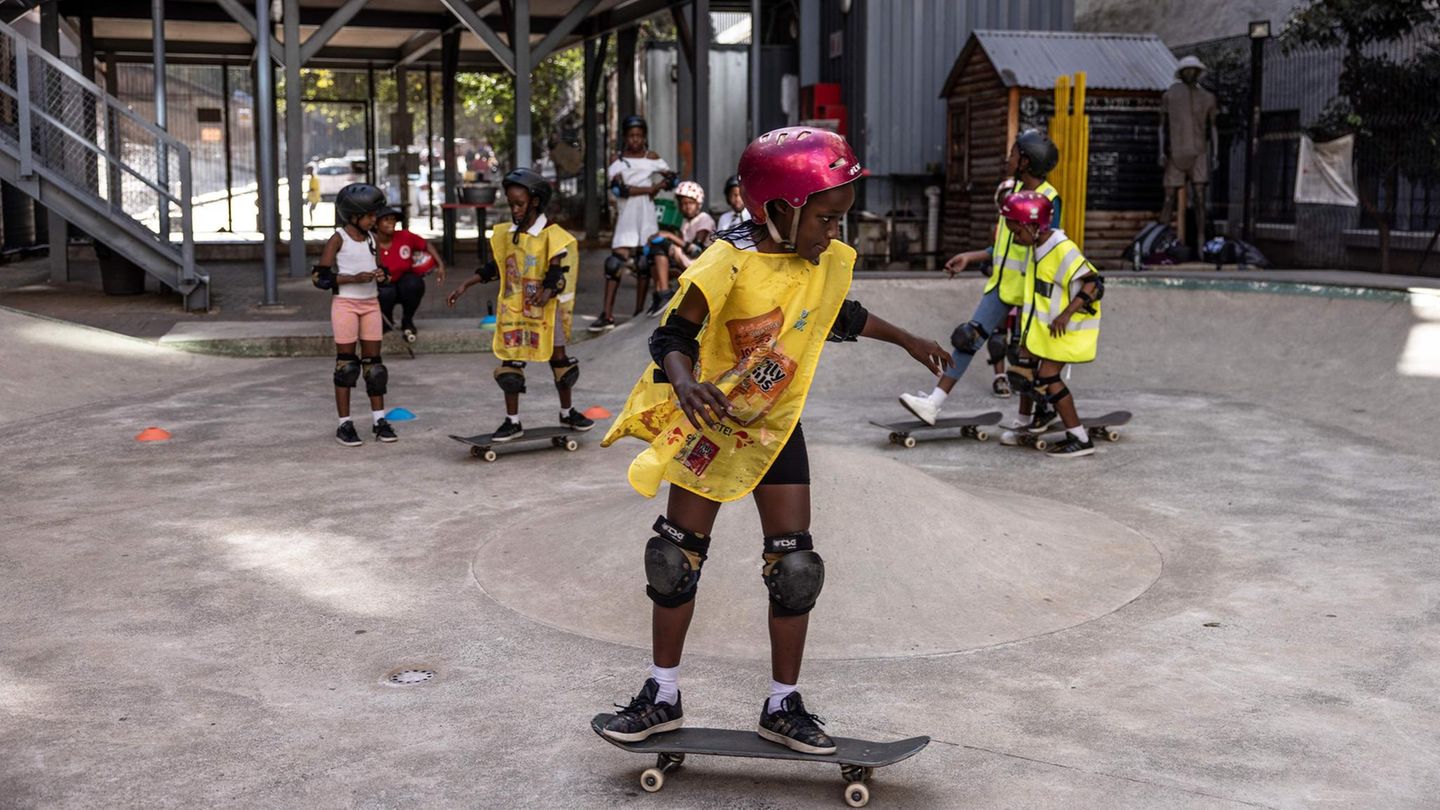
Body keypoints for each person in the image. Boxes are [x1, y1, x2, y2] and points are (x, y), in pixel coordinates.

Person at [598, 127, 950, 753]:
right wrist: (684, 385)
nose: (833, 233)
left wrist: (909, 341)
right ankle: (661, 694)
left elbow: (843, 316)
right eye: (826, 219)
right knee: (675, 561)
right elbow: (671, 337)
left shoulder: (817, 264)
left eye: (839, 221)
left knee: (795, 569)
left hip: (774, 427)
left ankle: (782, 705)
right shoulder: (725, 260)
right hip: (709, 427)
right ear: (782, 209)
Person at [898, 129, 1062, 429]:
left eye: (1013, 154)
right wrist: (971, 257)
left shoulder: (1049, 199)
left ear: (1026, 161)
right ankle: (933, 403)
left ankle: (1034, 415)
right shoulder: (1013, 196)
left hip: (1031, 292)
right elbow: (1005, 246)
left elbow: (1050, 247)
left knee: (1026, 359)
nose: (1008, 158)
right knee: (967, 338)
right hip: (1001, 286)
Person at [446, 169, 595, 440]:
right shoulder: (507, 234)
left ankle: (567, 412)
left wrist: (548, 290)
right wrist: (466, 284)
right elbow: (496, 268)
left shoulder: (551, 234)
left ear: (535, 202)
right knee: (509, 366)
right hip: (515, 311)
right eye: (511, 203)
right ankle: (512, 422)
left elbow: (555, 271)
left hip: (547, 311)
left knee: (561, 363)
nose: (514, 210)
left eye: (519, 204)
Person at [1001, 190, 1104, 457]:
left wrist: (1067, 314)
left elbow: (1094, 282)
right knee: (1022, 369)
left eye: (1017, 231)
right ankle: (1027, 423)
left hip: (1066, 328)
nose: (1015, 237)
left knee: (1048, 377)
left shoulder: (1061, 248)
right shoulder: (1037, 246)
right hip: (1043, 328)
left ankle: (1079, 437)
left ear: (1035, 226)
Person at [310, 183, 398, 447]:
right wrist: (351, 278)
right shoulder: (339, 238)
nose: (376, 219)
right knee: (346, 366)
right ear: (353, 215)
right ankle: (344, 424)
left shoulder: (371, 238)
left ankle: (379, 421)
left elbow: (383, 270)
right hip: (346, 304)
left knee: (375, 366)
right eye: (371, 215)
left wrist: (383, 276)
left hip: (371, 303)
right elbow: (320, 277)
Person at [590, 115, 677, 331]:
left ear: (644, 137)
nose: (635, 140)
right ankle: (607, 314)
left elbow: (673, 179)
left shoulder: (651, 157)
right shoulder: (617, 160)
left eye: (639, 135)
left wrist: (663, 183)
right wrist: (651, 189)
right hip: (627, 215)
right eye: (631, 136)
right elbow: (620, 190)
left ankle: (638, 313)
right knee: (614, 263)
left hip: (646, 215)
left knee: (644, 262)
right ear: (625, 137)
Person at [374, 206, 446, 343]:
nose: (391, 223)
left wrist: (440, 264)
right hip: (382, 287)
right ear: (376, 224)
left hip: (402, 283)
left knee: (415, 284)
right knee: (385, 292)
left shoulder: (405, 236)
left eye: (393, 220)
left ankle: (407, 320)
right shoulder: (370, 241)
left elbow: (426, 245)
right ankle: (386, 321)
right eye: (386, 220)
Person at [643, 180, 715, 317]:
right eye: (683, 204)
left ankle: (665, 292)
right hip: (687, 263)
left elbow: (696, 250)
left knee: (663, 243)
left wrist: (669, 236)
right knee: (654, 251)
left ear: (698, 203)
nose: (686, 207)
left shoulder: (704, 219)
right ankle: (658, 292)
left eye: (690, 203)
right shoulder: (685, 223)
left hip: (701, 264)